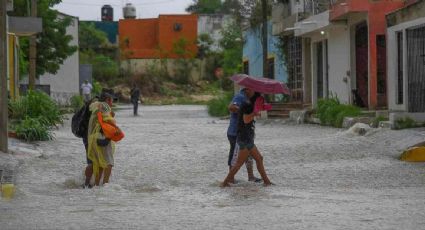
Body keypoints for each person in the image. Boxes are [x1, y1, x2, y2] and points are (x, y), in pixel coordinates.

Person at [222, 87, 272, 187]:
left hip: (247, 136)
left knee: (259, 158)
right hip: (243, 137)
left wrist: (259, 110)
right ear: (248, 90)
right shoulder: (245, 103)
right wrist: (254, 113)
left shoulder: (249, 103)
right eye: (259, 99)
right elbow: (245, 119)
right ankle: (225, 183)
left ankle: (266, 182)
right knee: (238, 163)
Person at [226, 88, 261, 183]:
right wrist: (243, 110)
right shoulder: (240, 96)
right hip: (236, 132)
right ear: (248, 89)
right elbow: (231, 107)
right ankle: (230, 179)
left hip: (246, 132)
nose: (254, 93)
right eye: (253, 91)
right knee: (235, 156)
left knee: (249, 154)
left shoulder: (248, 99)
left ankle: (251, 176)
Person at [87, 92, 116, 186]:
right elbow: (109, 121)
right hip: (102, 137)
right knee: (109, 162)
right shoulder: (105, 106)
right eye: (111, 101)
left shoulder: (95, 106)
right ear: (107, 100)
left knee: (100, 163)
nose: (112, 103)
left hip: (93, 138)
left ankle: (96, 185)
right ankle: (105, 185)